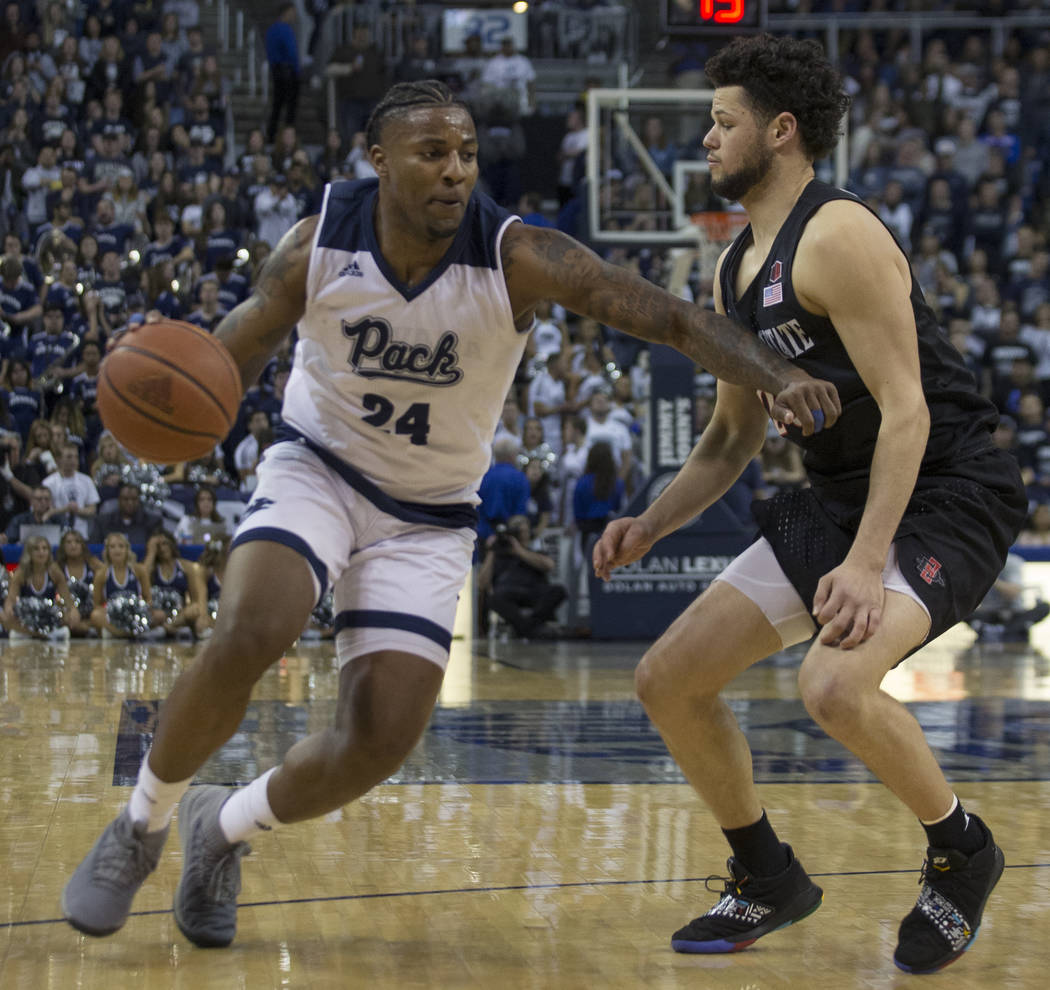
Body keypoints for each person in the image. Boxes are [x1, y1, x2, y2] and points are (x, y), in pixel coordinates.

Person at [62, 79, 837, 950]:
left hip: (429, 516)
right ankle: (140, 824)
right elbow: (227, 361)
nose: (455, 171)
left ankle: (222, 827)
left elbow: (671, 317)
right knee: (252, 626)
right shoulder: (316, 244)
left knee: (380, 739)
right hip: (319, 468)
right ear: (378, 158)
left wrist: (777, 373)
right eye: (432, 153)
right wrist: (159, 397)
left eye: (466, 153)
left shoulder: (519, 256)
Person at [592, 37, 1027, 975]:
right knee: (668, 680)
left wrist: (867, 563)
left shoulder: (839, 235)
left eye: (723, 120)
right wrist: (649, 525)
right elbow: (730, 440)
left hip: (948, 486)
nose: (706, 138)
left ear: (780, 131)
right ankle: (766, 875)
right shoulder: (731, 270)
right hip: (844, 492)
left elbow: (908, 413)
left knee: (831, 686)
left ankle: (962, 852)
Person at [478, 513, 565, 639]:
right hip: (508, 593)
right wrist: (492, 551)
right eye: (516, 527)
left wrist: (519, 551)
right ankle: (531, 629)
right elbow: (481, 583)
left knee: (558, 591)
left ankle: (526, 627)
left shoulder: (534, 551)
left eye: (523, 528)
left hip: (533, 591)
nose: (520, 531)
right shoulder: (499, 554)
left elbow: (549, 565)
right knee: (493, 599)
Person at [2, 534, 74, 641]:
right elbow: (11, 599)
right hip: (27, 618)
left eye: (45, 549)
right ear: (29, 553)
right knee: (5, 618)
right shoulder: (21, 572)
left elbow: (67, 598)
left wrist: (72, 611)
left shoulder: (54, 571)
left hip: (48, 617)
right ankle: (45, 635)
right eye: (36, 549)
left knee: (69, 617)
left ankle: (29, 634)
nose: (41, 552)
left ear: (49, 552)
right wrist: (8, 608)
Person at [264, 3, 300, 144]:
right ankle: (288, 137)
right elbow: (292, 52)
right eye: (292, 12)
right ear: (286, 12)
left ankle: (271, 135)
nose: (294, 16)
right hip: (288, 71)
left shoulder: (271, 30)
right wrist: (297, 71)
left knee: (277, 106)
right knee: (290, 107)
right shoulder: (285, 29)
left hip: (276, 70)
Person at [92, 482, 164, 544]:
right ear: (119, 500)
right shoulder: (103, 522)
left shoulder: (153, 522)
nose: (130, 503)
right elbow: (94, 548)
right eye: (125, 499)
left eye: (134, 499)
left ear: (139, 501)